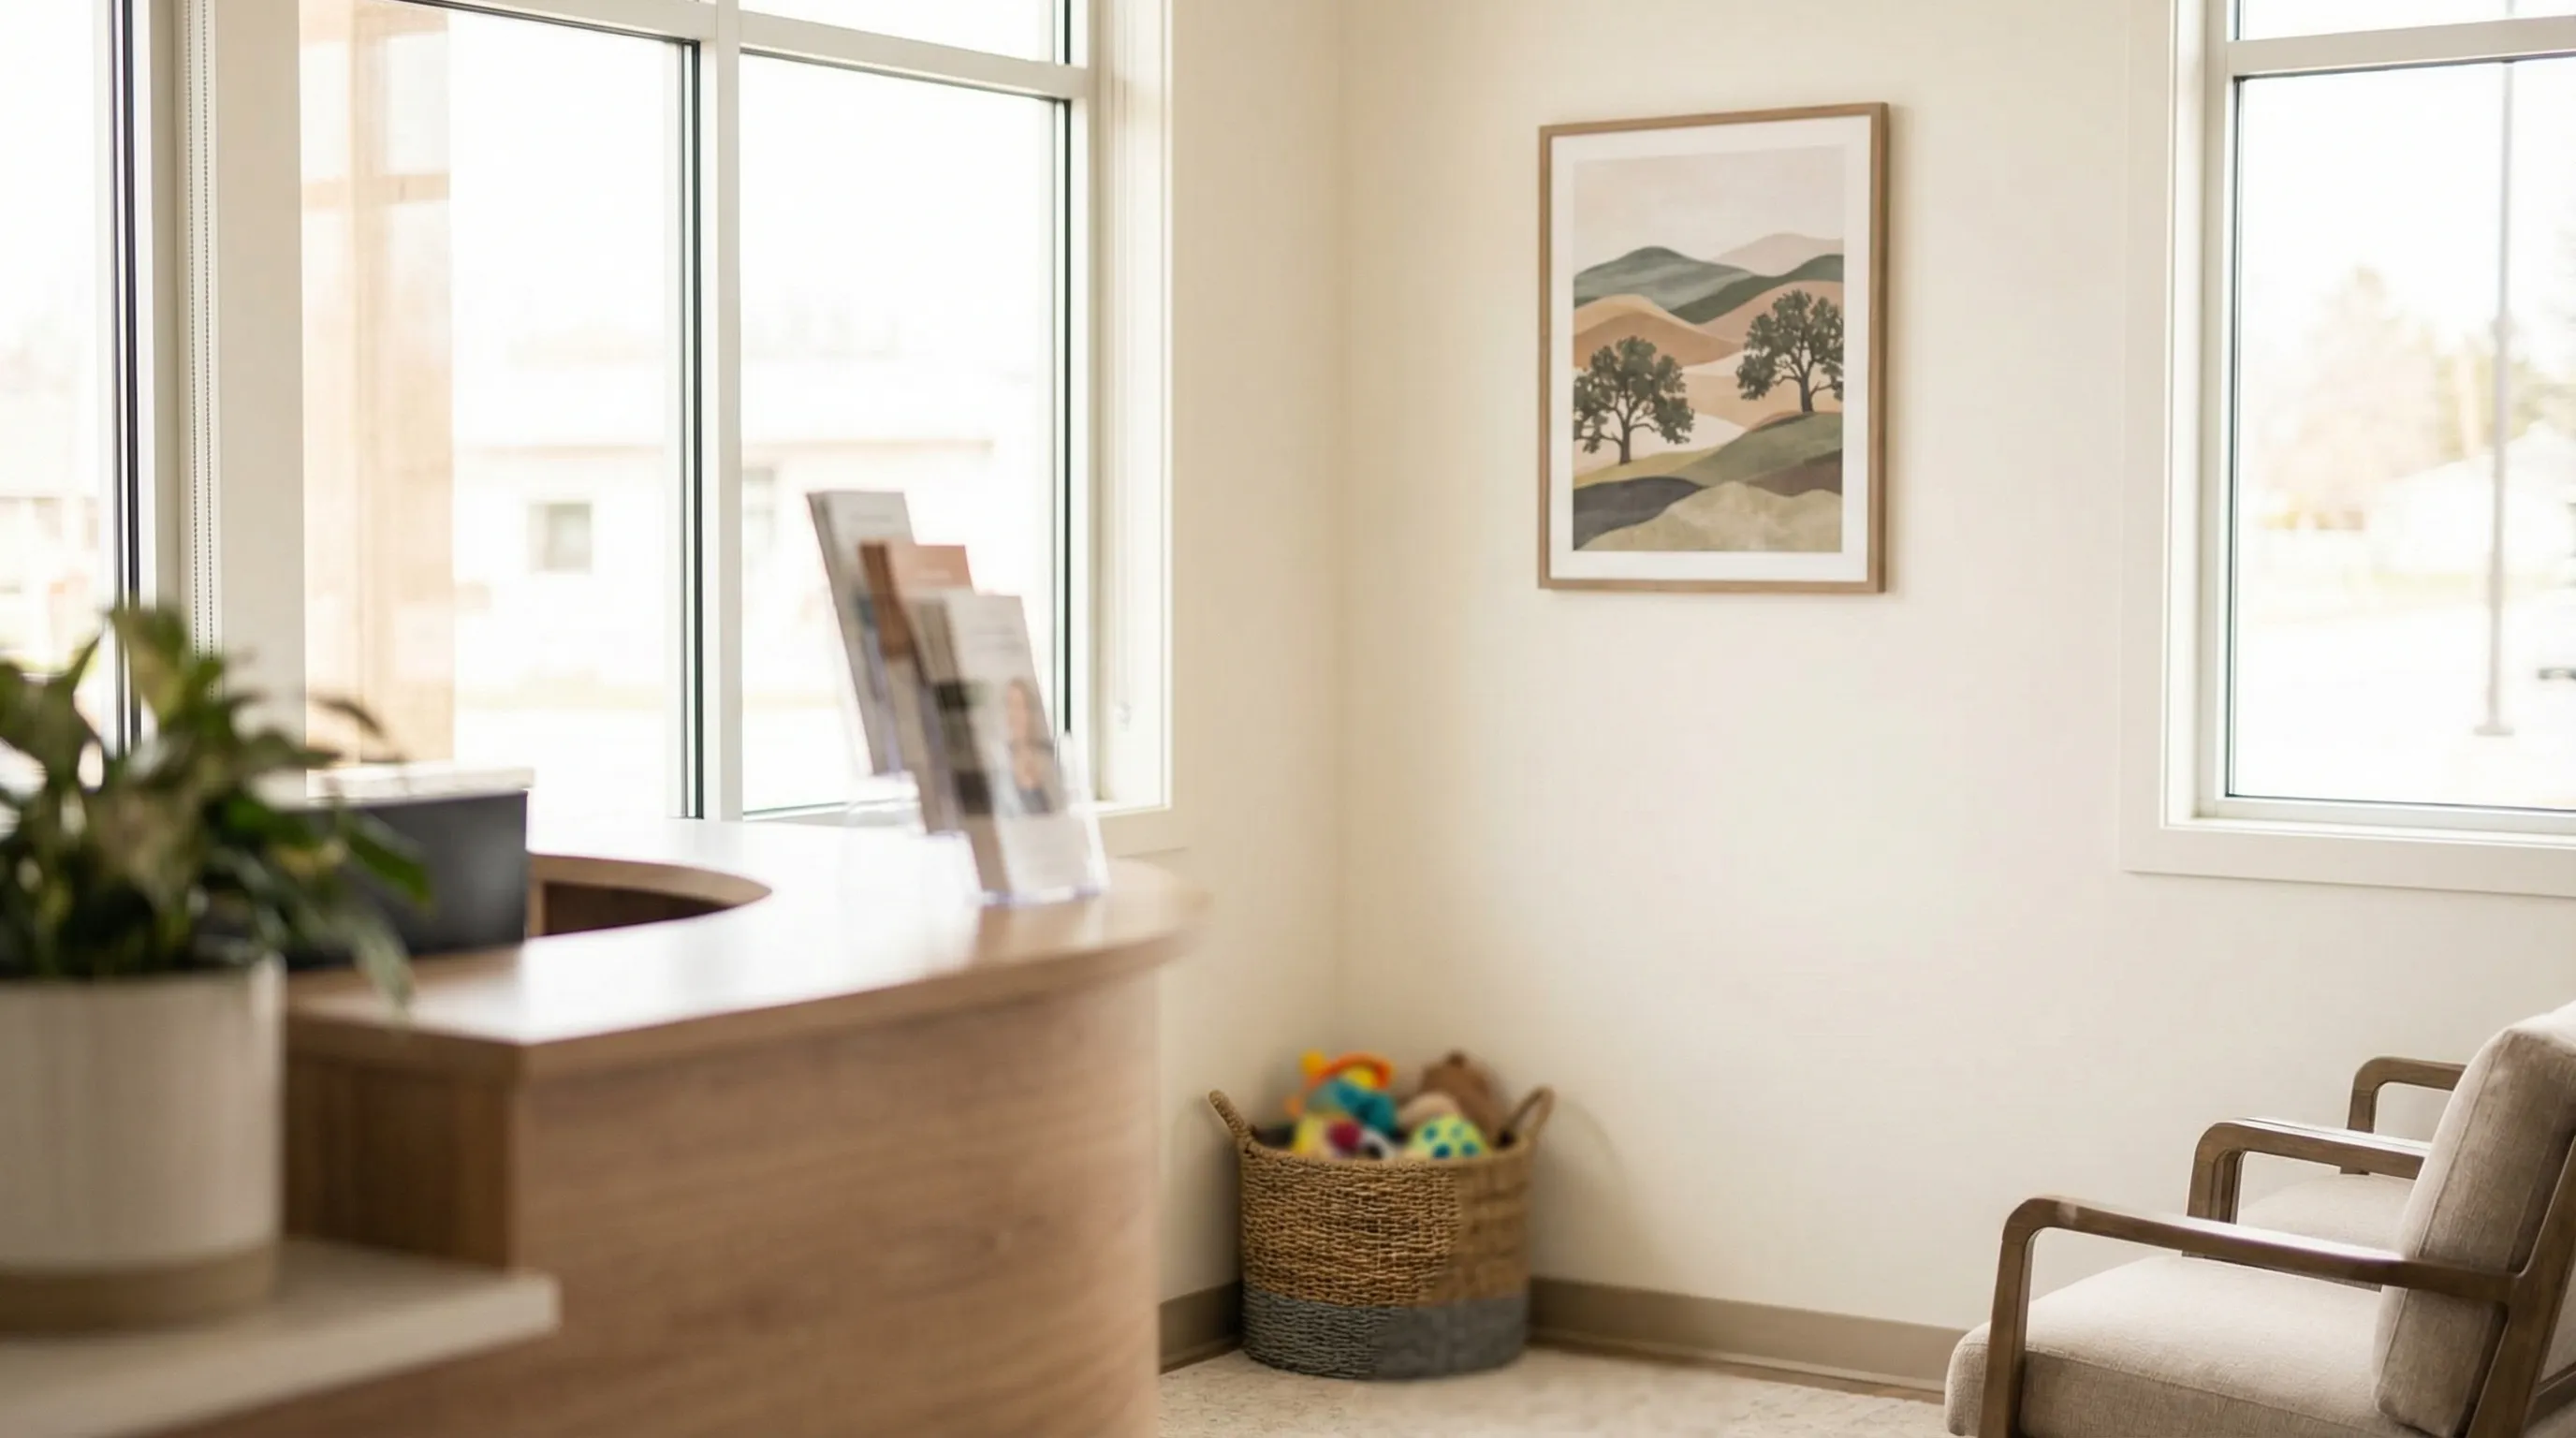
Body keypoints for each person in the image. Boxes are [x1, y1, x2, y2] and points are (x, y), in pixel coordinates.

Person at [1003, 677, 1061, 816]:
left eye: (1020, 706)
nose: (1015, 714)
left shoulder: (1049, 756)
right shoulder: (999, 758)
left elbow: (1060, 809)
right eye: (1010, 706)